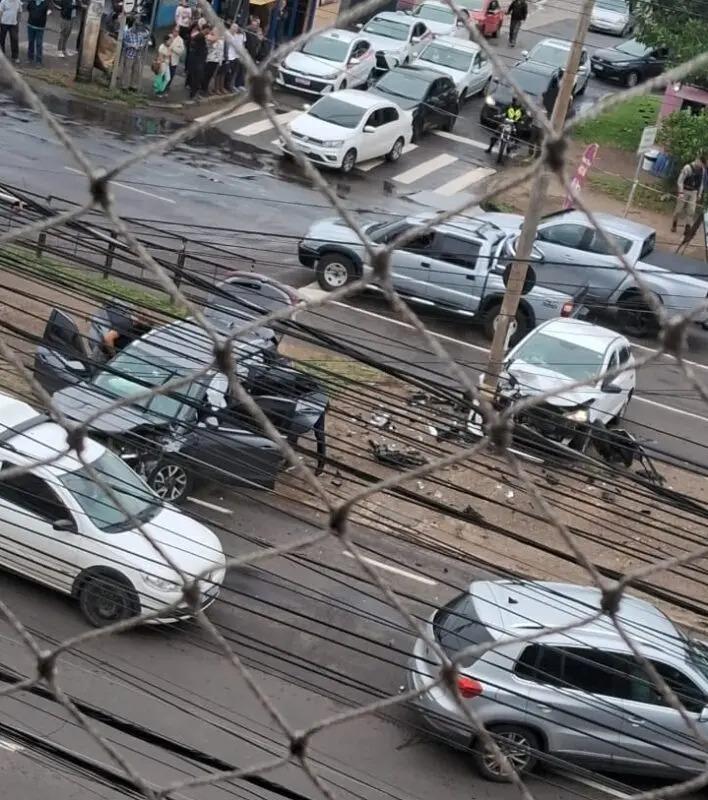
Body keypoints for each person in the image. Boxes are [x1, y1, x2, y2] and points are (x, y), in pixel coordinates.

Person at [672, 155, 707, 235]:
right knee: (678, 210)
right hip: (684, 190)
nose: (701, 166)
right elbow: (680, 181)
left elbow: (701, 183)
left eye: (703, 164)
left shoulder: (702, 170)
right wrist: (680, 192)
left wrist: (700, 194)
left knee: (691, 211)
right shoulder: (687, 168)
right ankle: (674, 223)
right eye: (701, 163)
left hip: (693, 191)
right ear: (697, 160)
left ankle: (687, 228)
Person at [119, 15, 149, 91]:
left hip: (137, 54)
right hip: (129, 54)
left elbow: (143, 42)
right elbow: (123, 43)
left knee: (136, 71)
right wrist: (131, 45)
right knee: (127, 70)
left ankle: (133, 86)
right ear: (134, 26)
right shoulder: (128, 32)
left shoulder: (140, 33)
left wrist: (141, 46)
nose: (138, 29)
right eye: (137, 27)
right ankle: (124, 86)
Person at [185, 21, 207, 99]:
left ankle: (193, 93)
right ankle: (193, 94)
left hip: (199, 62)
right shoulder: (200, 37)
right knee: (196, 79)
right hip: (198, 62)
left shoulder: (200, 37)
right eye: (207, 30)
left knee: (196, 78)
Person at [26, 0, 49, 65]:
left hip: (40, 27)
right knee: (31, 42)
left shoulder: (46, 3)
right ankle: (30, 58)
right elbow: (28, 9)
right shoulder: (31, 2)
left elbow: (48, 12)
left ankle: (39, 60)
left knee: (39, 43)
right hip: (31, 25)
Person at [203, 25, 223, 95]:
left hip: (216, 60)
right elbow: (211, 41)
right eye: (216, 30)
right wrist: (217, 37)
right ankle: (203, 89)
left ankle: (206, 89)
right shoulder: (209, 36)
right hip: (210, 59)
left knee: (210, 76)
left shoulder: (220, 39)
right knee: (206, 75)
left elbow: (221, 50)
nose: (217, 32)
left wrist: (220, 61)